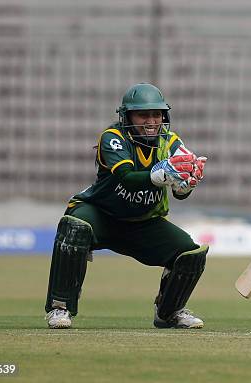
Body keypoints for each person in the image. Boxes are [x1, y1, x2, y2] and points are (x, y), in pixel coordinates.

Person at [45, 83, 208, 329]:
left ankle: (169, 312)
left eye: (156, 114)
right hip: (101, 216)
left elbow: (180, 191)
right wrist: (158, 175)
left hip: (144, 224)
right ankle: (60, 308)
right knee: (75, 226)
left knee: (190, 253)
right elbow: (126, 178)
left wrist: (184, 186)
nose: (151, 120)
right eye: (143, 114)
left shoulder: (171, 142)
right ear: (127, 116)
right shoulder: (113, 138)